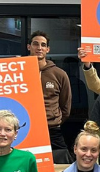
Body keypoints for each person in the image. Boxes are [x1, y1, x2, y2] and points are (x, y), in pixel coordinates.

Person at [29, 31, 72, 164]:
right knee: (26, 165)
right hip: (27, 129)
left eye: (43, 45)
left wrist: (54, 119)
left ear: (47, 49)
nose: (39, 48)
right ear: (29, 47)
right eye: (35, 44)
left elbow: (66, 106)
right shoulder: (19, 72)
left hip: (52, 129)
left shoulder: (59, 74)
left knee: (63, 164)